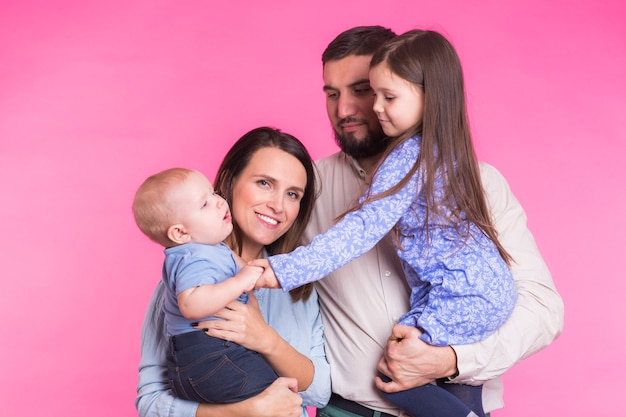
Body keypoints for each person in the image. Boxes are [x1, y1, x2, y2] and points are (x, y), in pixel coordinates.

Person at [298, 26, 563, 417]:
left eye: (362, 90)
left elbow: (542, 310)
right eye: (332, 94)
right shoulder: (305, 186)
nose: (344, 110)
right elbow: (233, 262)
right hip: (352, 410)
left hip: (461, 402)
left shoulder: (479, 183)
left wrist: (452, 360)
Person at [135, 127, 331, 417]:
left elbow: (319, 392)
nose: (277, 205)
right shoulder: (188, 281)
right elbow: (151, 403)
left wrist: (264, 338)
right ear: (229, 181)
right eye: (264, 183)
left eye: (292, 194)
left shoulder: (298, 286)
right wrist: (245, 411)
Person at [133, 167, 279, 403]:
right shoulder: (192, 257)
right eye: (204, 204)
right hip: (204, 356)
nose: (220, 202)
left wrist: (266, 272)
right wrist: (240, 281)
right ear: (181, 233)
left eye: (213, 194)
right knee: (271, 393)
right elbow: (192, 304)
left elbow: (247, 270)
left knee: (273, 388)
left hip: (214, 354)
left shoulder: (213, 249)